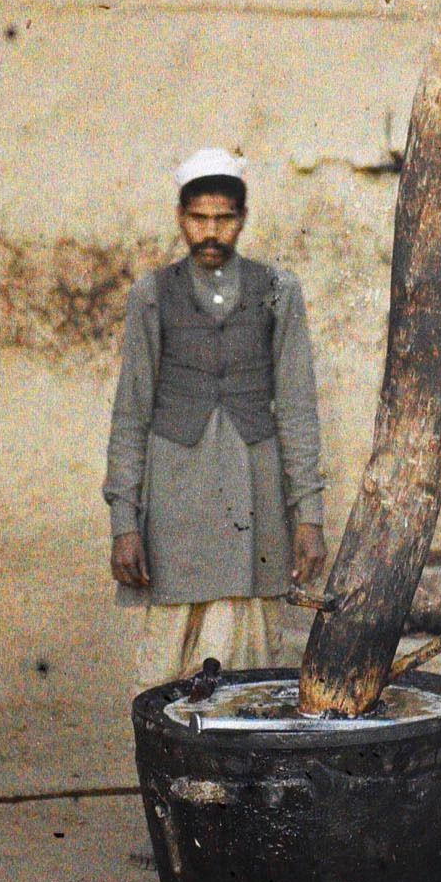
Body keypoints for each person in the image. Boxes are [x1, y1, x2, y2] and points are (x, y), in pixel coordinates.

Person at [105, 148, 327, 687]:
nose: (211, 231)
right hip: (176, 495)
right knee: (171, 666)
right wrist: (124, 525)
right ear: (181, 219)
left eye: (224, 218)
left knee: (248, 661)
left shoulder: (279, 291)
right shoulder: (151, 295)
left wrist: (310, 517)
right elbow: (131, 412)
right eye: (199, 218)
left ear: (242, 219)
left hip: (255, 491)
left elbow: (297, 406)